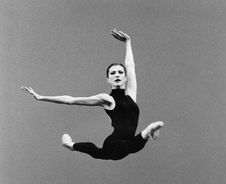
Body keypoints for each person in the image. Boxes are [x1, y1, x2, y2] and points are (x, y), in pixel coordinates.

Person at [21, 29, 164, 160]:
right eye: (113, 73)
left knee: (99, 151)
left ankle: (71, 145)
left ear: (125, 78)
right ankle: (147, 132)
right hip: (114, 144)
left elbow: (130, 66)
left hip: (127, 144)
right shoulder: (106, 99)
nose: (117, 75)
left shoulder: (131, 95)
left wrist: (128, 42)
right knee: (121, 148)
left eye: (120, 72)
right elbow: (71, 100)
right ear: (108, 79)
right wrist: (41, 97)